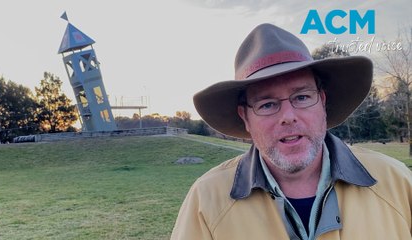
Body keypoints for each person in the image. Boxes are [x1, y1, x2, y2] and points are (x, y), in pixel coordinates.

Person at [170, 23, 412, 239]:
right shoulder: (207, 201)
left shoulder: (397, 183)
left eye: (302, 97)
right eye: (267, 104)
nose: (288, 117)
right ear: (245, 117)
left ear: (323, 102)